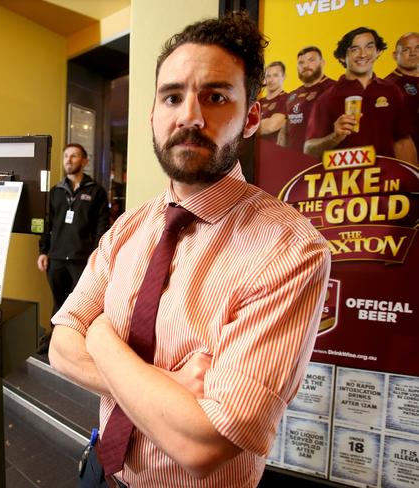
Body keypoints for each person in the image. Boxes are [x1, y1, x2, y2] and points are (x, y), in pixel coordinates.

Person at [49, 11, 330, 488]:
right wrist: (170, 389)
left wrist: (97, 333)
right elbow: (59, 347)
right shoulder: (128, 228)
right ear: (154, 115)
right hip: (101, 470)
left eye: (216, 97)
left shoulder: (292, 252)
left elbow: (203, 445)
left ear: (251, 117)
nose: (190, 116)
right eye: (173, 96)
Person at [304, 27, 417, 163]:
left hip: (387, 180)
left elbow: (403, 142)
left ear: (378, 52)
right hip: (345, 180)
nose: (363, 54)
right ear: (342, 57)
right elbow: (309, 150)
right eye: (354, 49)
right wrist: (335, 137)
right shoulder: (327, 98)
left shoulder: (391, 91)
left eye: (369, 47)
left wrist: (412, 179)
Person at [36, 143, 109, 354]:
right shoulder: (55, 192)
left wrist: (97, 255)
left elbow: (101, 227)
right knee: (58, 303)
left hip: (82, 259)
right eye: (66, 156)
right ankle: (56, 342)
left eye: (74, 156)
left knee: (83, 305)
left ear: (84, 161)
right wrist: (43, 250)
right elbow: (46, 224)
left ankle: (81, 346)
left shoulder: (96, 192)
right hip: (56, 258)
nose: (68, 160)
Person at [277, 46, 335, 152]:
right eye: (301, 63)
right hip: (296, 163)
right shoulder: (292, 95)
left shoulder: (334, 89)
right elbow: (285, 130)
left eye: (311, 60)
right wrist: (279, 155)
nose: (306, 65)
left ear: (322, 62)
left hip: (323, 161)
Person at [385, 32, 419, 153]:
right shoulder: (387, 86)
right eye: (406, 49)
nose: (413, 53)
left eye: (417, 48)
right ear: (395, 55)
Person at [257, 61, 287, 141]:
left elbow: (272, 126)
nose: (271, 80)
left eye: (275, 75)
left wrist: (248, 127)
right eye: (268, 76)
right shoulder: (258, 102)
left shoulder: (287, 98)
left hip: (274, 150)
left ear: (284, 77)